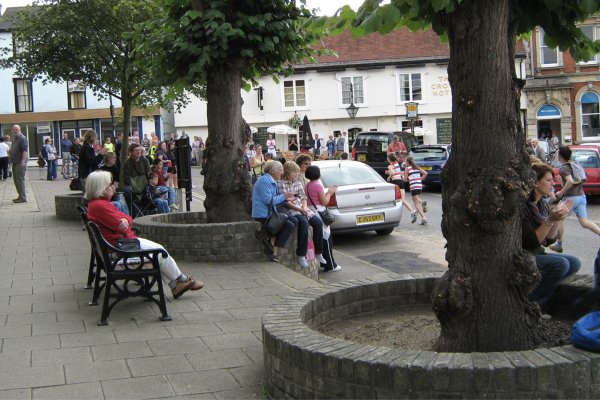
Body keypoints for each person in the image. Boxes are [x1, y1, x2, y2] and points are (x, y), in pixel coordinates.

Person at [85, 171, 203, 298]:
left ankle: (177, 284)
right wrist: (125, 221)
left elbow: (127, 218)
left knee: (158, 252)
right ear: (100, 187)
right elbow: (122, 226)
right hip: (121, 248)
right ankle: (181, 281)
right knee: (160, 252)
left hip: (118, 245)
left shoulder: (98, 204)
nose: (113, 187)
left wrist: (125, 220)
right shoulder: (101, 206)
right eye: (109, 184)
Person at [523, 162, 580, 316]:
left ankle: (545, 299)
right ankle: (533, 305)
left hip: (536, 252)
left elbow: (548, 241)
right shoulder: (525, 207)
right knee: (560, 264)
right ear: (535, 182)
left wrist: (559, 218)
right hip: (523, 255)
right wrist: (550, 219)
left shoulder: (541, 204)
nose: (553, 183)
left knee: (574, 262)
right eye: (548, 180)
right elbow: (531, 242)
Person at [278, 161, 328, 268]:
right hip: (291, 209)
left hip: (302, 208)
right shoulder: (281, 184)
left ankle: (319, 252)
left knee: (318, 223)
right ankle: (301, 254)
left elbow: (303, 197)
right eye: (294, 172)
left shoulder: (297, 183)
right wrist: (300, 210)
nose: (296, 174)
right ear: (287, 172)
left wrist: (304, 208)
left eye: (296, 172)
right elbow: (286, 202)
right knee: (304, 223)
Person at [551, 146, 600, 252]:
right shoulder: (574, 163)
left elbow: (570, 181)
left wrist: (561, 192)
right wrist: (561, 182)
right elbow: (574, 180)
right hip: (581, 196)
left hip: (571, 198)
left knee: (559, 219)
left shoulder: (563, 167)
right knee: (584, 223)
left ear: (560, 156)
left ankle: (559, 245)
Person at [252, 161, 296, 262]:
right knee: (287, 223)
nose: (282, 172)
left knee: (290, 224)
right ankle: (269, 242)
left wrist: (286, 199)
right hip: (263, 214)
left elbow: (275, 199)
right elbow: (269, 200)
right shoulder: (264, 181)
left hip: (271, 212)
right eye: (280, 170)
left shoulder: (272, 180)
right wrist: (284, 196)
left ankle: (272, 246)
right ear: (272, 171)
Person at [305, 165, 341, 272]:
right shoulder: (318, 185)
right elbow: (324, 201)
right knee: (326, 239)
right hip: (320, 213)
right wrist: (330, 192)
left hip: (311, 211)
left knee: (321, 238)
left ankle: (324, 263)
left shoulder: (307, 185)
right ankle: (330, 265)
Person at [386, 153, 417, 222]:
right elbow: (397, 172)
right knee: (403, 200)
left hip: (396, 183)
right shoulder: (397, 164)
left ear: (389, 159)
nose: (387, 159)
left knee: (394, 200)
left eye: (387, 158)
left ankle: (392, 216)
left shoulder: (390, 166)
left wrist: (389, 177)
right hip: (401, 182)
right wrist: (388, 173)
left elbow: (393, 173)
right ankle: (412, 211)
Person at [404, 156, 428, 225]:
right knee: (414, 198)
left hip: (413, 186)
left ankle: (424, 218)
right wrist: (420, 179)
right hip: (419, 186)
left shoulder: (407, 168)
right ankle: (422, 202)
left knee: (416, 205)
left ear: (407, 162)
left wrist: (403, 175)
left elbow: (405, 180)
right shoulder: (416, 167)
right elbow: (425, 173)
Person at [9, 125, 28, 202]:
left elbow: (25, 150)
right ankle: (20, 196)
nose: (15, 130)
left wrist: (23, 161)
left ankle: (23, 197)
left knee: (20, 180)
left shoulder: (22, 138)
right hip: (15, 162)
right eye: (14, 129)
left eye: (16, 129)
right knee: (16, 180)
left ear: (20, 130)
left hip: (20, 163)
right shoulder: (15, 139)